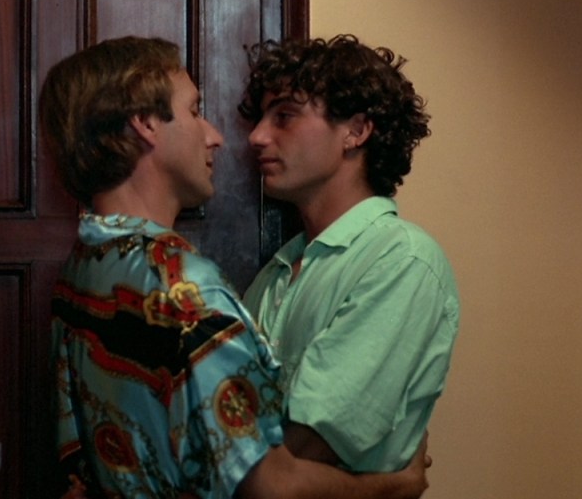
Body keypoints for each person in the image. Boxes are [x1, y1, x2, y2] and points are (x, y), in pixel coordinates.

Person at [41, 35, 429, 499]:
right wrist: (395, 486)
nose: (218, 135)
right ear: (145, 123)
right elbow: (268, 485)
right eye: (194, 110)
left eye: (284, 116)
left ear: (357, 132)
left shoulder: (81, 269)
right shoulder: (187, 290)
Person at [239, 34, 460, 473]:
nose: (257, 137)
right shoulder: (277, 271)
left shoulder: (401, 261)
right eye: (261, 118)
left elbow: (309, 444)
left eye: (284, 116)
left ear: (356, 131)